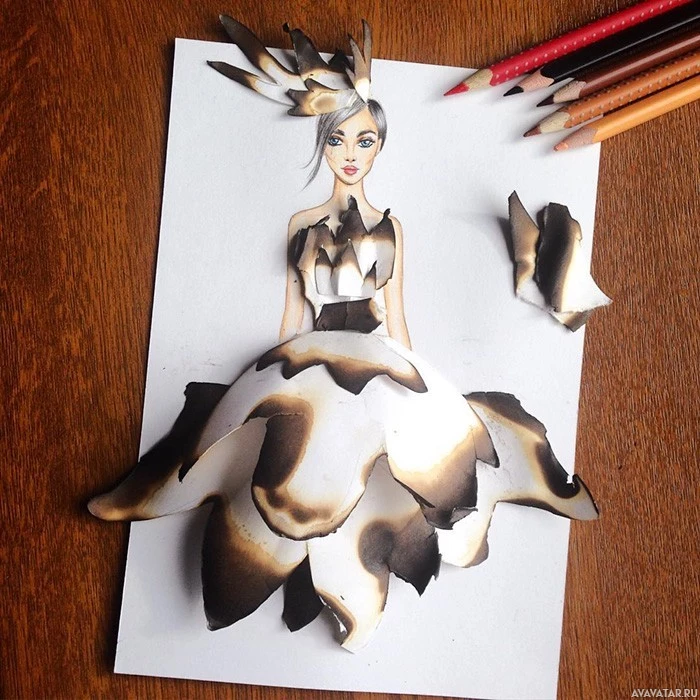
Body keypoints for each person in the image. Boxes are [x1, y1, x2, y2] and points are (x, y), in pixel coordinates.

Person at [88, 18, 598, 653]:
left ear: (379, 146)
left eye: (364, 139)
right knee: (289, 471)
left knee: (411, 468)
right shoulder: (302, 222)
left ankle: (358, 575)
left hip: (382, 358)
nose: (351, 152)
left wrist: (422, 387)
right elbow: (290, 312)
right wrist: (264, 380)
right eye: (337, 139)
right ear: (323, 145)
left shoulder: (391, 226)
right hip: (308, 357)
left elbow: (396, 311)